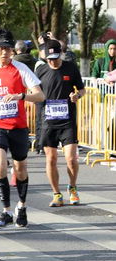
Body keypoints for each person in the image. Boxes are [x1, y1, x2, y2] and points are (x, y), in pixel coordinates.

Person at [0, 29, 45, 228]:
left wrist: (21, 96)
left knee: (20, 169)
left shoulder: (21, 69)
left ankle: (22, 206)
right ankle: (6, 211)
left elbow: (40, 95)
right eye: (2, 49)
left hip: (18, 126)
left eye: (9, 50)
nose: (6, 53)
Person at [36, 39, 85, 207]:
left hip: (67, 121)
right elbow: (34, 92)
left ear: (61, 54)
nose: (52, 61)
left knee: (71, 158)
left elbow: (82, 89)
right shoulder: (41, 71)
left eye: (55, 58)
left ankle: (72, 188)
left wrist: (77, 96)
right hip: (48, 121)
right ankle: (56, 194)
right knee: (51, 159)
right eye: (49, 59)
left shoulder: (71, 67)